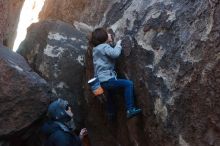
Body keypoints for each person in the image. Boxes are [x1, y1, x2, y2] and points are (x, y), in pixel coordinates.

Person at [89, 27, 142, 119]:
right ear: (104, 38)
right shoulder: (104, 47)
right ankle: (130, 109)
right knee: (128, 84)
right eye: (107, 34)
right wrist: (118, 45)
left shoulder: (96, 49)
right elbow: (115, 54)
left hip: (101, 80)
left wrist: (110, 44)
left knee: (111, 93)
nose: (109, 34)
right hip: (107, 78)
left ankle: (111, 113)